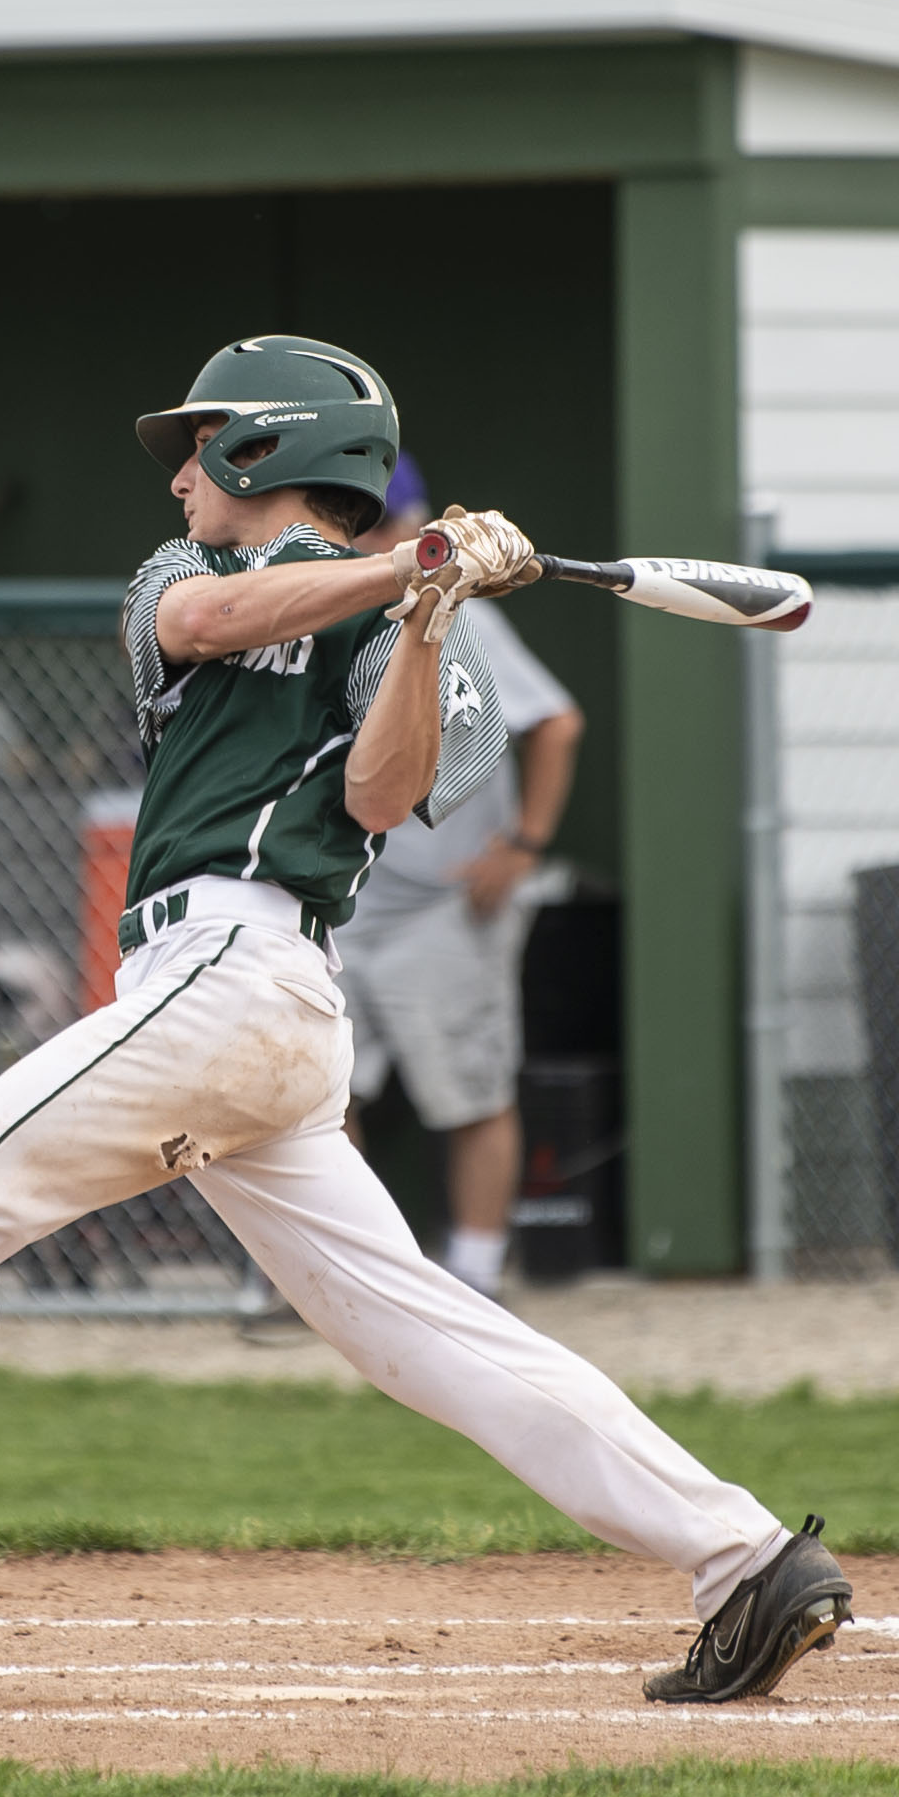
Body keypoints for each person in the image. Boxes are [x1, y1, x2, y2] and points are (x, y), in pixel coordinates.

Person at [0, 336, 850, 1712]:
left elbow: (381, 796)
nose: (183, 472)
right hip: (233, 1016)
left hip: (249, 980)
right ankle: (743, 1558)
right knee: (419, 1333)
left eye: (204, 442)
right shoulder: (176, 580)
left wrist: (429, 617)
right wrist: (409, 569)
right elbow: (211, 628)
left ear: (277, 446)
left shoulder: (424, 640)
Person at [320, 450, 587, 1308]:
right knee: (314, 1098)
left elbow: (555, 721)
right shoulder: (323, 606)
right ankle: (342, 1270)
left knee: (467, 1090)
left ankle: (473, 1273)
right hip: (346, 902)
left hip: (444, 905)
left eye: (389, 523)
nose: (381, 539)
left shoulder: (460, 610)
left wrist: (523, 844)